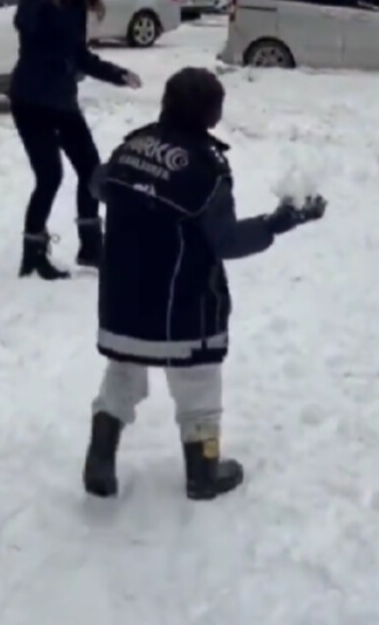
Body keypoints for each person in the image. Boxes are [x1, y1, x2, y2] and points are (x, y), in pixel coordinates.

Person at [80, 67, 329, 501]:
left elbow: (97, 184)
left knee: (122, 375)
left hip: (121, 305)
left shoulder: (129, 148)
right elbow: (225, 241)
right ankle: (203, 470)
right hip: (183, 309)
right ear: (212, 115)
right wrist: (280, 222)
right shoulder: (207, 172)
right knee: (198, 388)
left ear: (165, 104)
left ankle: (99, 458)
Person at [11, 0, 141, 280]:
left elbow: (79, 54)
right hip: (30, 100)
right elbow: (24, 25)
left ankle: (91, 248)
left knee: (91, 171)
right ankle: (33, 254)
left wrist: (117, 74)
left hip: (62, 100)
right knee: (49, 176)